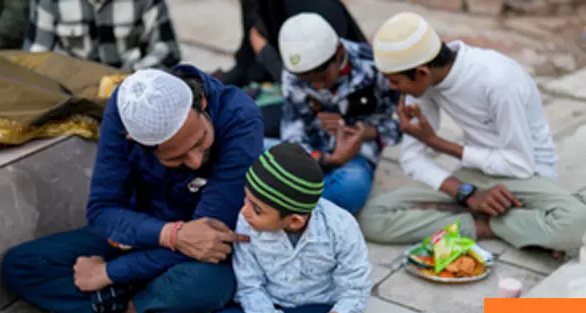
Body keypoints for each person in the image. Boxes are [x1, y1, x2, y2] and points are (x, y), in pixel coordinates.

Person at [1, 67, 264, 313]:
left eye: (201, 142)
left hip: (205, 256)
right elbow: (102, 211)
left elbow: (210, 239)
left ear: (201, 104)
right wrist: (170, 235)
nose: (195, 161)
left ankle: (126, 302)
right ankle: (158, 309)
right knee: (22, 266)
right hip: (145, 234)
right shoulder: (125, 112)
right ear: (135, 142)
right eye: (176, 157)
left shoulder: (240, 117)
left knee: (207, 285)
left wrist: (109, 273)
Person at [359, 12, 586, 256]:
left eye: (395, 82)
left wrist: (436, 142)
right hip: (475, 176)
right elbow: (412, 158)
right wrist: (466, 193)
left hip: (528, 174)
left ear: (422, 72)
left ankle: (491, 219)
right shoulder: (422, 85)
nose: (393, 89)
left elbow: (518, 164)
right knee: (372, 216)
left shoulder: (498, 80)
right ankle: (491, 224)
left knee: (575, 222)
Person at [204, 143, 371, 313]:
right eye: (246, 199)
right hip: (272, 309)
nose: (244, 212)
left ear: (294, 221)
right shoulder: (247, 223)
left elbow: (355, 292)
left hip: (318, 312)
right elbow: (250, 287)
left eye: (257, 209)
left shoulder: (341, 228)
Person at [277, 13, 401, 215]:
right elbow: (292, 131)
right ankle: (303, 207)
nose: (317, 86)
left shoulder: (375, 65)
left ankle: (283, 205)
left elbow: (406, 124)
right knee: (248, 147)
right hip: (312, 151)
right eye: (309, 82)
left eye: (322, 77)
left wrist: (366, 132)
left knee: (351, 188)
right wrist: (326, 159)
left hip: (357, 158)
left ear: (339, 53)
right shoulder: (294, 72)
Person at [213, 0, 366, 140]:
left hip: (340, 103)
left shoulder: (316, 11)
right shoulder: (259, 5)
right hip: (295, 93)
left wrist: (265, 54)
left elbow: (316, 80)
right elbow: (246, 63)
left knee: (242, 124)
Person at [25, 0, 181, 71]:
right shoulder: (48, 2)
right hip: (70, 94)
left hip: (130, 87)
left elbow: (168, 49)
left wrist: (134, 73)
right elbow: (35, 56)